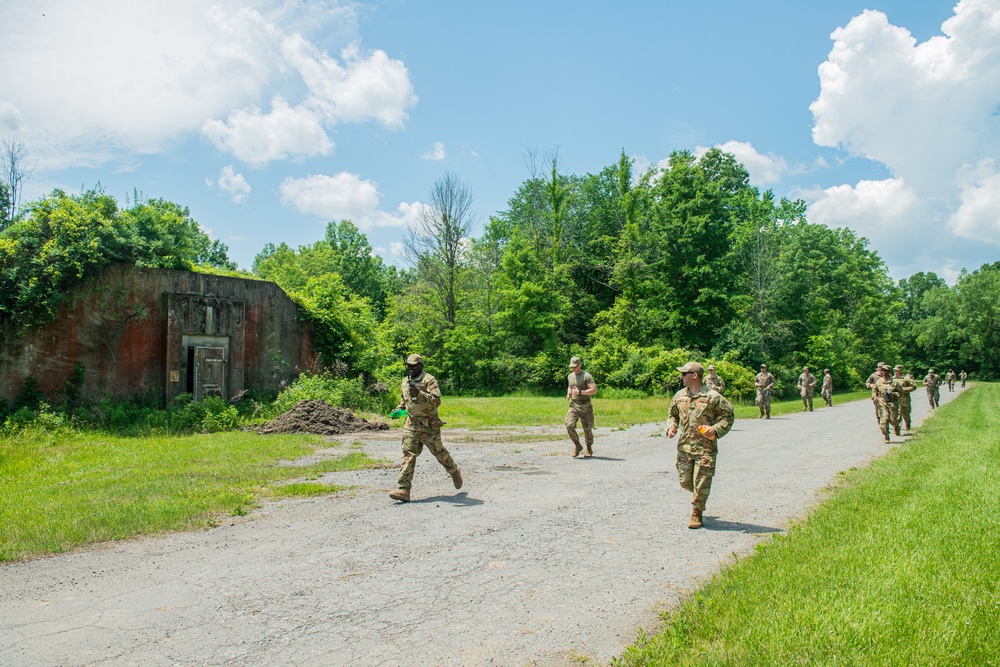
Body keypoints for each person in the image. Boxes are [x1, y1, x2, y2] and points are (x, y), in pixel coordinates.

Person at [666, 362, 734, 529]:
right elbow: (672, 414)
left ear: (694, 375)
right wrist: (671, 426)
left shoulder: (713, 397)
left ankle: (697, 511)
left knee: (702, 481)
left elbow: (728, 416)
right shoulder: (679, 395)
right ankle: (700, 495)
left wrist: (715, 429)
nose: (681, 377)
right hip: (684, 447)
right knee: (685, 481)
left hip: (705, 449)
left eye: (684, 374)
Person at [389, 354, 463, 502]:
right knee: (408, 454)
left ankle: (454, 470)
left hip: (429, 425)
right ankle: (404, 489)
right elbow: (404, 402)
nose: (410, 368)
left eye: (413, 365)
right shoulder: (405, 382)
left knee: (439, 452)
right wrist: (397, 410)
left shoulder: (429, 380)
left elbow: (436, 402)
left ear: (420, 366)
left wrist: (420, 394)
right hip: (412, 424)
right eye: (408, 365)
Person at [566, 356, 597, 457]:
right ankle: (577, 445)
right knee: (569, 425)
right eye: (572, 367)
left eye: (575, 366)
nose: (573, 368)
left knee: (587, 428)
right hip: (574, 404)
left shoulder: (586, 376)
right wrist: (569, 393)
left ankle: (588, 448)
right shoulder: (570, 376)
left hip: (586, 405)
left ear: (580, 365)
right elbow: (570, 386)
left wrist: (579, 392)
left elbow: (593, 390)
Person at [873, 363, 903, 443]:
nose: (883, 372)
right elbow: (875, 390)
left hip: (892, 402)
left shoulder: (894, 382)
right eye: (882, 370)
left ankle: (896, 426)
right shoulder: (879, 381)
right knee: (884, 419)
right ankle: (886, 436)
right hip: (882, 402)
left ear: (889, 371)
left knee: (893, 419)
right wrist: (875, 396)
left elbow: (900, 393)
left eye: (885, 370)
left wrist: (894, 394)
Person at [896, 365, 917, 433]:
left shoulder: (906, 378)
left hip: (905, 400)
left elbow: (914, 386)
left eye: (897, 370)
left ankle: (908, 424)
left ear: (901, 371)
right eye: (895, 370)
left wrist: (903, 390)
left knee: (906, 414)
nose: (895, 371)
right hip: (896, 400)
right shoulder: (892, 379)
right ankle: (897, 429)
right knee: (897, 415)